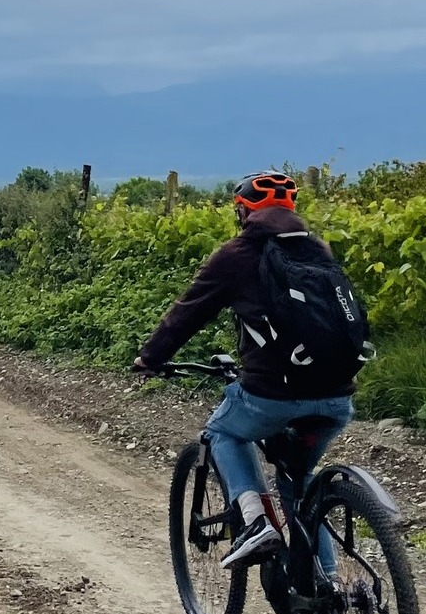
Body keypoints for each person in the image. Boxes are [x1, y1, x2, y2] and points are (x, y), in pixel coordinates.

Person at [132, 172, 366, 571]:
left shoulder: (237, 254)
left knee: (222, 432)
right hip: (337, 397)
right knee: (300, 483)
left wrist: (150, 358)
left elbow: (189, 312)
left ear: (244, 211)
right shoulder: (317, 250)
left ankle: (256, 522)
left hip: (271, 396)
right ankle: (329, 592)